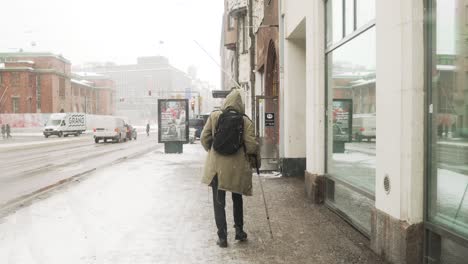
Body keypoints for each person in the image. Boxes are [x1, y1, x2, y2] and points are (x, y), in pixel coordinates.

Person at [201, 89, 260, 248]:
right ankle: (239, 231)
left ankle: (222, 237)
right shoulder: (245, 121)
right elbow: (252, 146)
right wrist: (255, 162)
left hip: (216, 169)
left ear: (226, 102)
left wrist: (212, 152)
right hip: (237, 168)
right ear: (241, 104)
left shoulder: (214, 117)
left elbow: (204, 138)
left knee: (218, 202)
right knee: (237, 198)